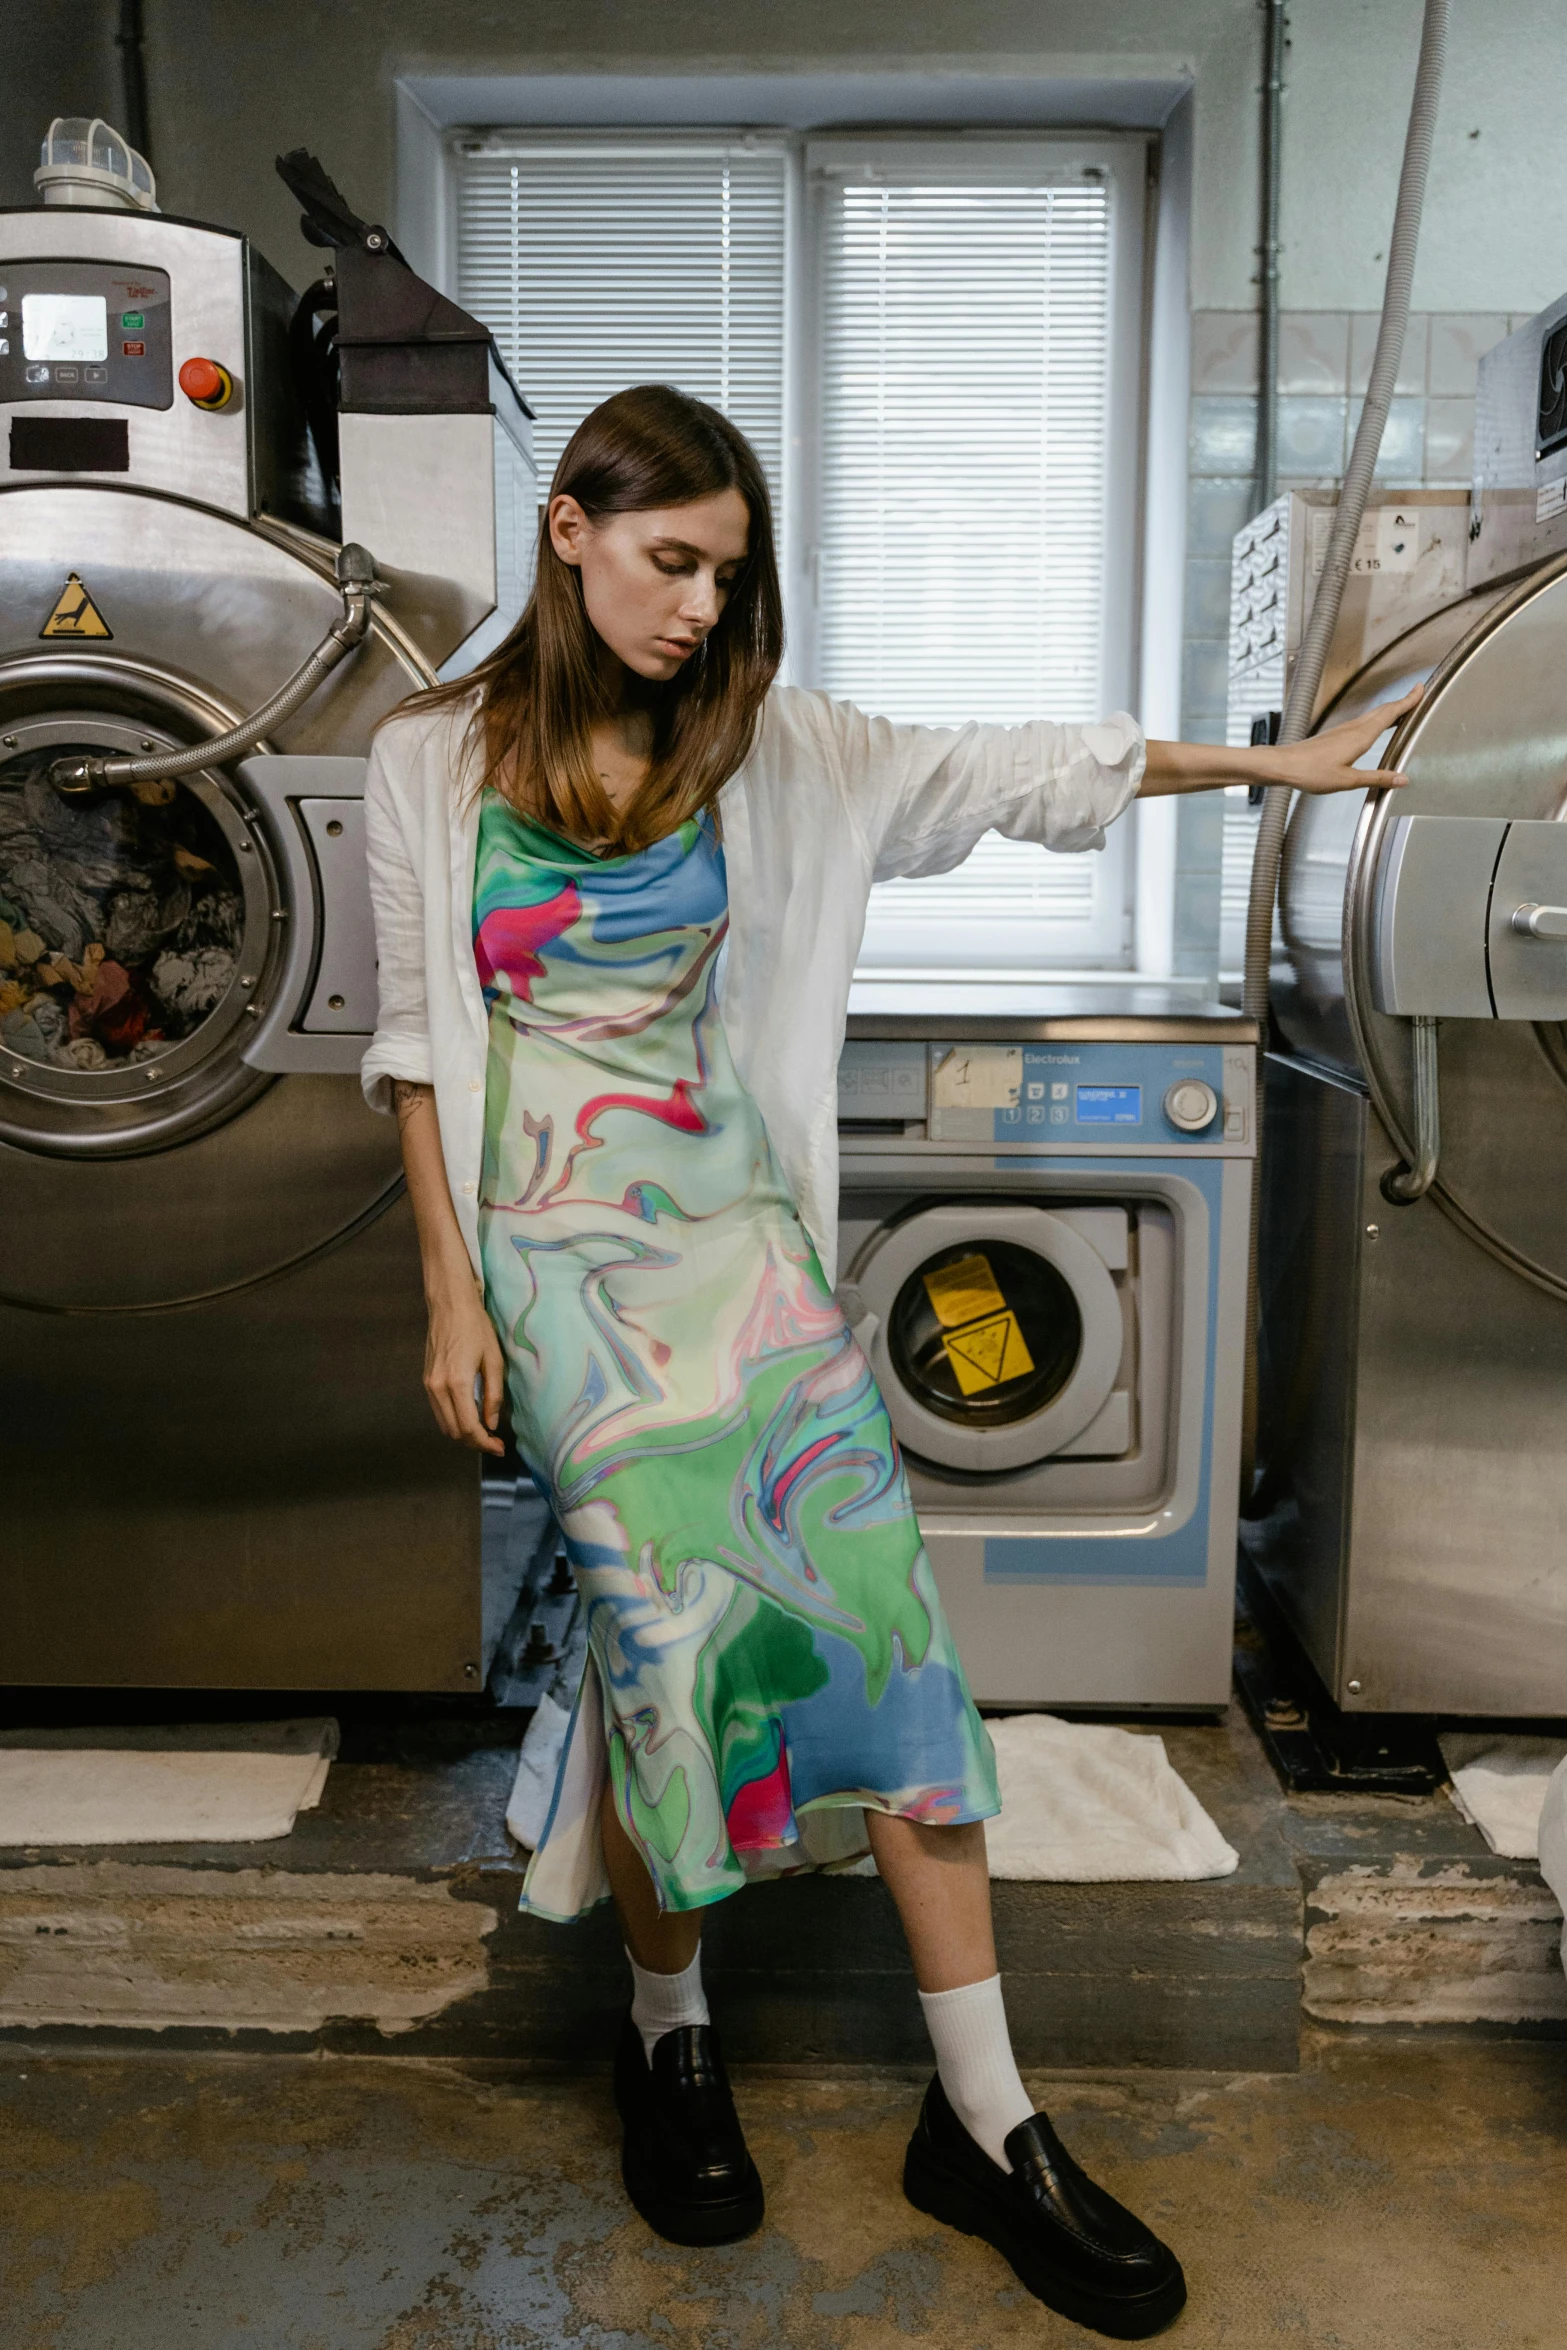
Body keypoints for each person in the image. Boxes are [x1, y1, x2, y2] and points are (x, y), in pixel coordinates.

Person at [362, 384, 1414, 2341]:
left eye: (728, 573)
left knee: (896, 1653)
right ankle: (671, 2036)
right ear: (571, 530)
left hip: (758, 1275)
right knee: (672, 1659)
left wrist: (1286, 759)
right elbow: (419, 1053)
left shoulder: (792, 749)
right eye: (668, 560)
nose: (696, 605)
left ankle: (988, 2116)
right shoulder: (425, 755)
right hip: (576, 1292)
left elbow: (1033, 766)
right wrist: (448, 1289)